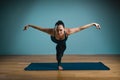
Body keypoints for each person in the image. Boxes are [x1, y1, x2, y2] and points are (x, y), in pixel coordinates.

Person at [23, 20, 101, 70]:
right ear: (55, 29)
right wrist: (29, 25)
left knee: (62, 49)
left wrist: (93, 24)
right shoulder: (51, 31)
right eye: (57, 30)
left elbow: (80, 28)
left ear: (64, 29)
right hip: (54, 40)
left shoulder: (68, 31)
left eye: (60, 30)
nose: (59, 32)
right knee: (59, 50)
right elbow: (40, 28)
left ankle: (58, 55)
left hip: (63, 41)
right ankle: (59, 64)